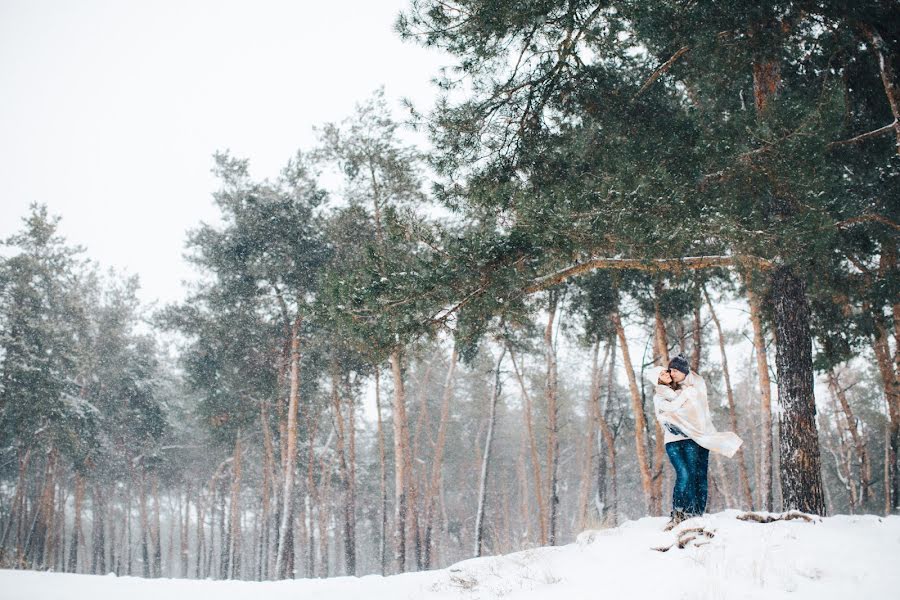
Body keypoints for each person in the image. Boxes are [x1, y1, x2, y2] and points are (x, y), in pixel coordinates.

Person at [647, 355, 742, 531]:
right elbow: (669, 410)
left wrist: (684, 401)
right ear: (657, 379)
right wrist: (680, 404)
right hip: (675, 441)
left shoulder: (687, 387)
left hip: (696, 436)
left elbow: (695, 409)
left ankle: (696, 513)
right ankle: (679, 511)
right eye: (666, 372)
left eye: (671, 371)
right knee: (685, 474)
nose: (669, 373)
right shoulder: (661, 395)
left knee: (698, 476)